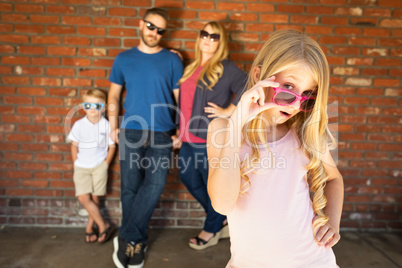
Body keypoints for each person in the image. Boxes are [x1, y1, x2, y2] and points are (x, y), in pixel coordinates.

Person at [207, 30, 344, 267]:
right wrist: (236, 125)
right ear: (260, 75)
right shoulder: (222, 130)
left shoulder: (304, 135)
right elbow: (222, 204)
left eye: (308, 95)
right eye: (289, 87)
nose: (296, 104)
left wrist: (332, 221)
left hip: (312, 260)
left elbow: (334, 180)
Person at [107, 7, 183, 268]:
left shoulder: (172, 60)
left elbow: (178, 99)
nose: (155, 33)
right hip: (131, 130)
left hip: (162, 132)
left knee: (155, 185)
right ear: (141, 24)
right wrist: (113, 126)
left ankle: (127, 235)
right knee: (130, 187)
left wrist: (180, 130)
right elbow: (114, 95)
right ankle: (136, 241)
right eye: (151, 27)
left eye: (161, 30)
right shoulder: (124, 59)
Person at [176, 21, 247, 250]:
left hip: (209, 140)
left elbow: (248, 85)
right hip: (187, 139)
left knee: (212, 186)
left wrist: (228, 111)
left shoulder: (226, 68)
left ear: (221, 41)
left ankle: (211, 229)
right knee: (189, 179)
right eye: (204, 34)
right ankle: (220, 219)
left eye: (214, 36)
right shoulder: (191, 66)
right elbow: (184, 103)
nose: (207, 38)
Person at [68, 89, 116, 244]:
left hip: (98, 167)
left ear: (103, 107)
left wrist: (105, 165)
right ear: (83, 106)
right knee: (83, 197)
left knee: (95, 199)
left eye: (97, 105)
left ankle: (89, 228)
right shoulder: (78, 125)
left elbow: (112, 147)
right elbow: (74, 146)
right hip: (82, 166)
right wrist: (76, 162)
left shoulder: (107, 125)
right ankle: (103, 225)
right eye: (88, 105)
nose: (93, 109)